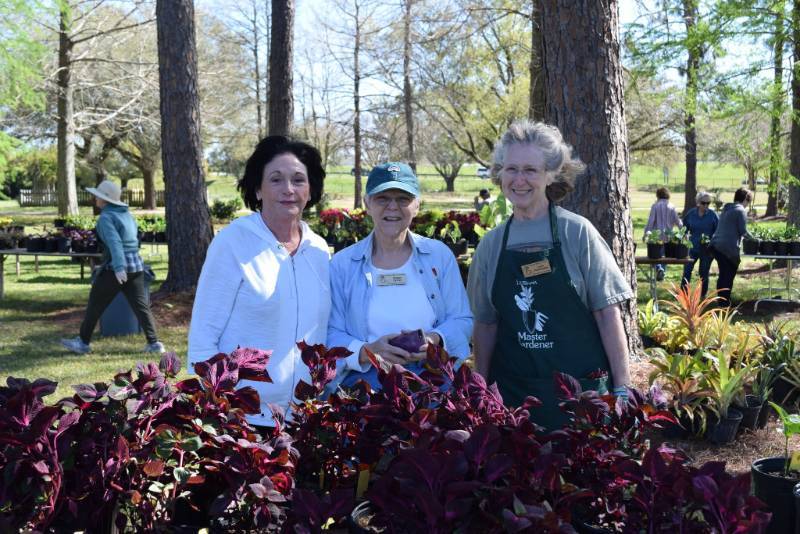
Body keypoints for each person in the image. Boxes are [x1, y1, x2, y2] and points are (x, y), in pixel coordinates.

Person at [467, 120, 634, 431]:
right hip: (515, 400)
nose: (519, 179)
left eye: (531, 170)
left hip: (581, 396)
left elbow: (607, 314)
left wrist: (622, 387)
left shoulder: (577, 233)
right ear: (499, 173)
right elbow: (486, 324)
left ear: (550, 174)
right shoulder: (491, 246)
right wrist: (481, 387)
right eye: (511, 169)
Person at [188, 136, 330, 426]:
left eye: (298, 180)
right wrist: (223, 405)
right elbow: (203, 339)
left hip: (307, 417)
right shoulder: (233, 243)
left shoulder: (318, 249)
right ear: (257, 188)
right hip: (244, 419)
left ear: (311, 189)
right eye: (276, 179)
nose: (288, 189)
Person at [327, 162, 473, 391]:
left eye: (403, 199)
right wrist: (370, 350)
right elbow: (331, 332)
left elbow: (463, 319)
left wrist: (434, 340)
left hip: (432, 380)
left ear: (416, 205)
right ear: (367, 203)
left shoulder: (439, 256)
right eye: (382, 198)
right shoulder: (342, 264)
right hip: (368, 384)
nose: (392, 207)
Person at [61, 181, 165, 355]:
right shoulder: (127, 215)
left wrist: (118, 267)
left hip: (118, 267)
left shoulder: (106, 217)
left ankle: (83, 343)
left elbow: (115, 243)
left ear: (104, 200)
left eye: (98, 196)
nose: (95, 198)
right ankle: (154, 344)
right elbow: (135, 239)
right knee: (141, 306)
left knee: (95, 303)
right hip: (136, 265)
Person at [710, 188, 754, 307]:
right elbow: (743, 231)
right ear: (745, 199)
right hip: (727, 248)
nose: (748, 204)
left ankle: (721, 301)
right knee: (728, 275)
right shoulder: (740, 210)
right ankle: (724, 303)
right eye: (749, 201)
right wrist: (756, 239)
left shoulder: (727, 208)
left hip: (716, 246)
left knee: (723, 274)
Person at [681, 191, 719, 298]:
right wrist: (683, 240)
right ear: (698, 202)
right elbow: (684, 229)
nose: (706, 205)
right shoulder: (691, 214)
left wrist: (713, 244)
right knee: (687, 271)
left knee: (703, 273)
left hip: (707, 250)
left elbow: (718, 232)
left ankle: (702, 296)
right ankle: (683, 295)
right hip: (692, 248)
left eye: (708, 203)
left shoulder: (713, 215)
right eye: (704, 203)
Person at [643, 186, 682, 281]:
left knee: (656, 256)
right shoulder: (672, 206)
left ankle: (659, 269)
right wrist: (683, 231)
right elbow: (678, 222)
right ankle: (662, 271)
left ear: (658, 195)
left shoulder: (655, 206)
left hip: (657, 236)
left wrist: (646, 233)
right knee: (666, 256)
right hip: (669, 236)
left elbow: (651, 221)